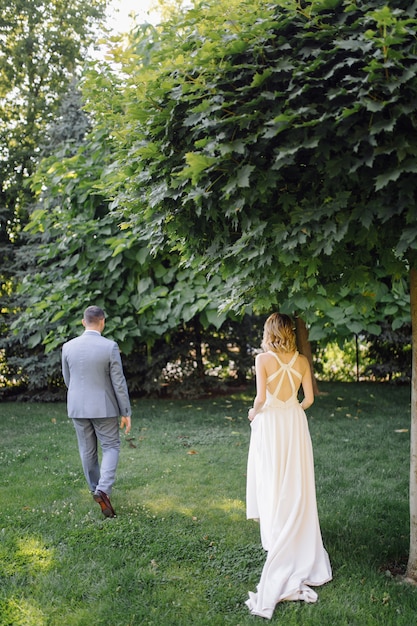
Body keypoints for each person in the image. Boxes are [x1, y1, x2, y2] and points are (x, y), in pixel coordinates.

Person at [245, 313, 332, 619]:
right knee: (296, 479)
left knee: (271, 477)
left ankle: (275, 535)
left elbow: (259, 398)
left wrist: (254, 414)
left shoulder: (262, 359)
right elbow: (308, 399)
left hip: (270, 422)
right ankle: (295, 533)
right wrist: (291, 408)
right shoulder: (302, 361)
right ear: (290, 333)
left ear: (270, 332)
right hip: (294, 422)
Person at [62, 305, 131, 518]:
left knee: (87, 450)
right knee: (111, 446)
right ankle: (103, 489)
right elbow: (118, 383)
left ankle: (95, 489)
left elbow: (67, 379)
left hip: (77, 406)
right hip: (104, 407)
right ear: (103, 321)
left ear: (84, 322)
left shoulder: (68, 347)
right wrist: (125, 411)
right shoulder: (109, 346)